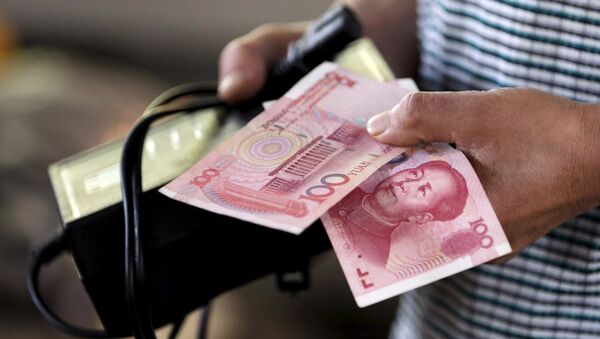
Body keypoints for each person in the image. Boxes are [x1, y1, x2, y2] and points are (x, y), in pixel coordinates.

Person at [218, 0, 600, 337]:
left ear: (430, 215)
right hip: (437, 320)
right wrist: (375, 35)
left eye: (422, 189)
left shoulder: (381, 253)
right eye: (418, 177)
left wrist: (583, 153)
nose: (410, 182)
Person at [329, 159, 469, 268]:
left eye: (422, 191)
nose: (406, 183)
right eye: (415, 174)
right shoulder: (336, 182)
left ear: (419, 217)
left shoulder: (373, 257)